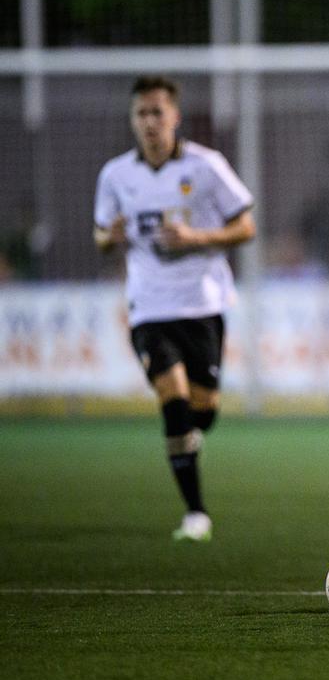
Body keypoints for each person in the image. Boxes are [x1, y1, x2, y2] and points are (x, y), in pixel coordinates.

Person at [93, 76, 256, 542]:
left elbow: (245, 226)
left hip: (202, 304)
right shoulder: (116, 175)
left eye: (156, 113)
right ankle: (195, 512)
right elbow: (100, 236)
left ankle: (191, 435)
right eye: (141, 114)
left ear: (175, 116)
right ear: (133, 120)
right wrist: (112, 236)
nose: (149, 122)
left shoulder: (207, 166)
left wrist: (198, 238)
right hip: (148, 308)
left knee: (203, 410)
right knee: (174, 402)